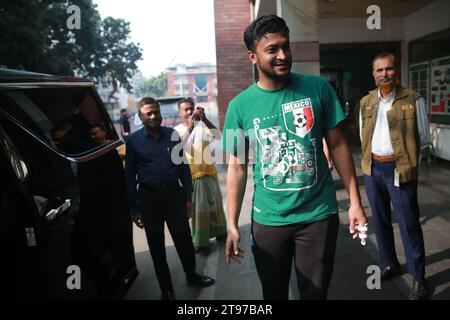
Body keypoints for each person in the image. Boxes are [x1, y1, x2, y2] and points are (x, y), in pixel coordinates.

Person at [221, 15, 368, 300]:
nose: (283, 55)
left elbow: (338, 146)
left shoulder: (318, 88)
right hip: (268, 220)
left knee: (315, 295)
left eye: (286, 47)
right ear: (253, 56)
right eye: (272, 49)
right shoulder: (238, 106)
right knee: (273, 295)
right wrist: (231, 224)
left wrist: (355, 202)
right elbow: (236, 168)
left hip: (318, 216)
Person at [125, 97, 215, 300]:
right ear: (140, 116)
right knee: (157, 248)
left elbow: (183, 166)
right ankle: (166, 290)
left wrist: (188, 196)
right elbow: (129, 175)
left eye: (155, 112)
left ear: (160, 112)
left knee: (184, 240)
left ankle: (192, 275)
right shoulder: (133, 141)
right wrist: (134, 208)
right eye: (148, 113)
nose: (153, 116)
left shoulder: (172, 135)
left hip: (175, 197)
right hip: (149, 200)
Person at [359, 53, 430, 300]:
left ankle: (418, 278)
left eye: (389, 69)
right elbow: (362, 137)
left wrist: (408, 164)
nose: (384, 74)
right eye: (379, 70)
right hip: (373, 170)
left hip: (399, 169)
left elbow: (424, 138)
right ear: (374, 74)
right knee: (379, 221)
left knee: (409, 225)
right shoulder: (366, 102)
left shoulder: (413, 99)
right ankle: (389, 263)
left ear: (395, 71)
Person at [174, 98, 227, 253]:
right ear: (180, 113)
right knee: (199, 210)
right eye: (186, 109)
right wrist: (192, 125)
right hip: (192, 176)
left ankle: (220, 232)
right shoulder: (176, 130)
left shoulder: (204, 126)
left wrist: (205, 119)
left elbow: (219, 136)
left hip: (209, 172)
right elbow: (179, 147)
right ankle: (200, 241)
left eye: (191, 108)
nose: (190, 112)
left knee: (215, 206)